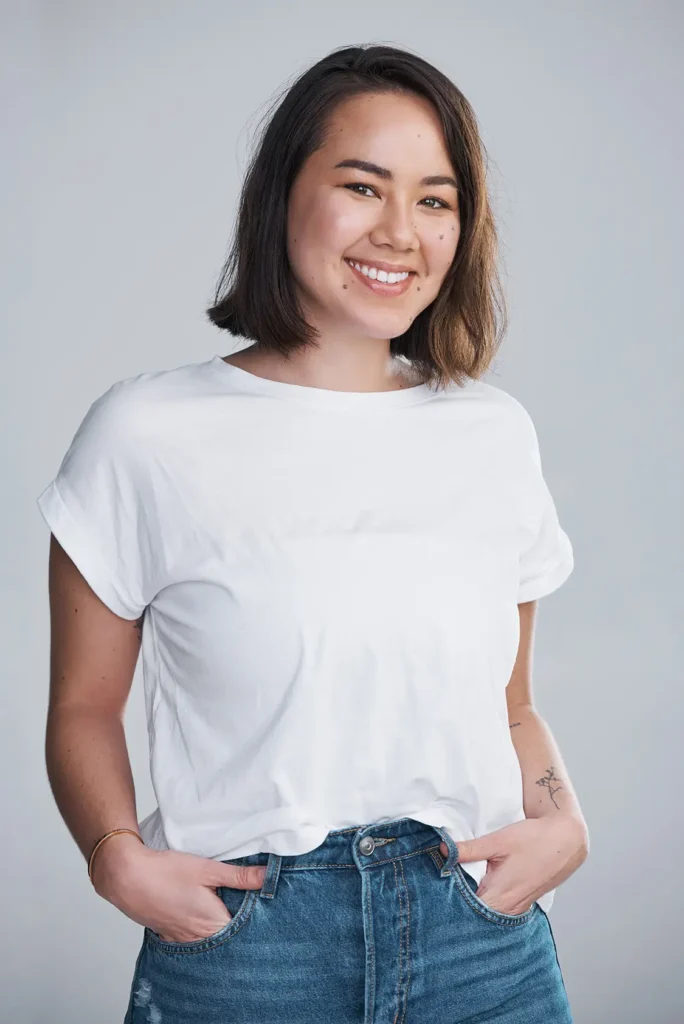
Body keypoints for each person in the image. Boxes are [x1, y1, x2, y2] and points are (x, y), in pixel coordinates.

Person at [37, 43, 588, 1024]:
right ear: (283, 194)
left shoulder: (492, 432)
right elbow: (83, 704)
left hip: (481, 938)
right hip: (251, 948)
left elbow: (512, 708)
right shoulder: (146, 433)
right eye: (362, 186)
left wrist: (562, 816)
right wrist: (114, 853)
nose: (399, 230)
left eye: (435, 198)